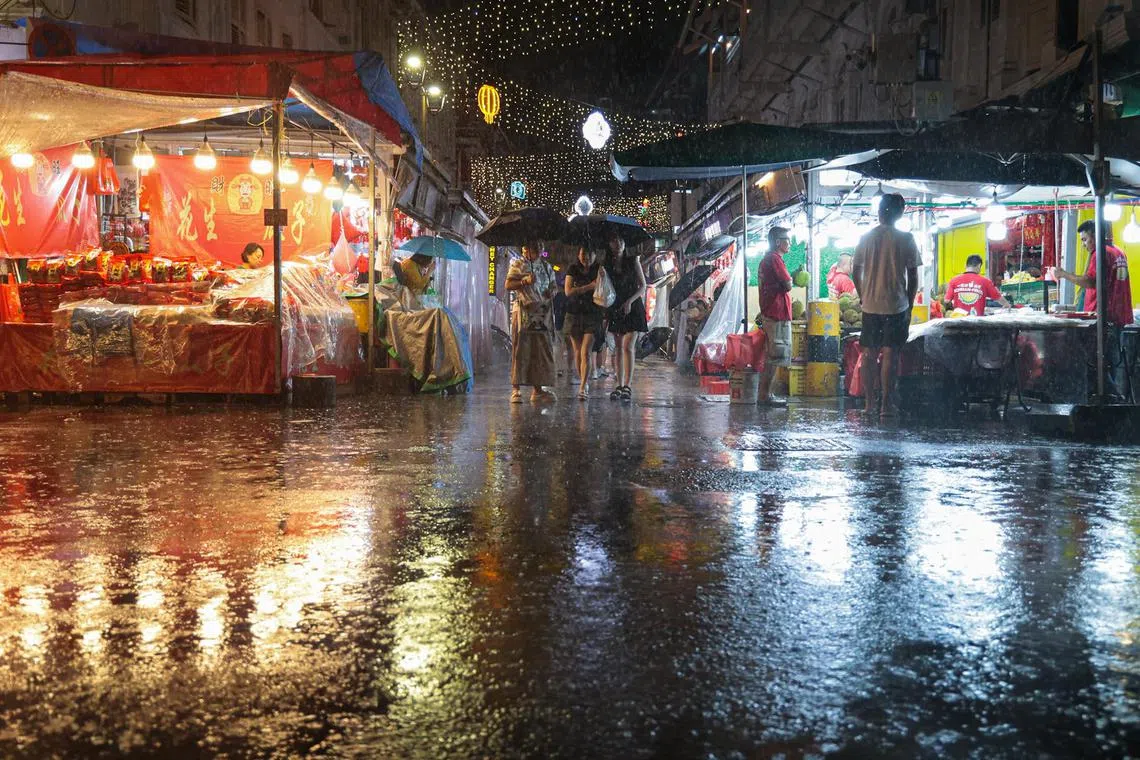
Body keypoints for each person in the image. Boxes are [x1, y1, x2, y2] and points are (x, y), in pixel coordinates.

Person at [852, 193, 921, 420]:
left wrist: (863, 295)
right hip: (896, 305)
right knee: (891, 355)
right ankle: (886, 406)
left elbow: (855, 271)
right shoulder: (906, 239)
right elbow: (913, 277)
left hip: (870, 305)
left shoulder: (865, 238)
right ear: (900, 213)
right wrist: (909, 304)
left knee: (869, 354)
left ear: (879, 211)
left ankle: (869, 404)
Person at [1053, 220, 1134, 397]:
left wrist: (1063, 274)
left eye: (1085, 239)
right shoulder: (1118, 251)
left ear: (1095, 235)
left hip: (1105, 317)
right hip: (1117, 316)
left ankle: (1114, 399)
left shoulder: (1100, 254)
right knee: (1109, 363)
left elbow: (1090, 281)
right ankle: (1112, 402)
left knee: (1097, 363)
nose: (1083, 245)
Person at [506, 243, 558, 403]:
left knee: (540, 350)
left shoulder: (547, 267)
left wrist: (552, 291)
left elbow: (553, 286)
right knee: (521, 349)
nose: (540, 249)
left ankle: (538, 389)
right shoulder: (518, 264)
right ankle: (516, 389)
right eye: (536, 246)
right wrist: (524, 281)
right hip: (523, 311)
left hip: (542, 313)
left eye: (541, 246)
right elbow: (508, 284)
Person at [603, 231, 647, 402]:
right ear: (610, 244)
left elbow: (643, 286)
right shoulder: (607, 265)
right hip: (616, 308)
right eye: (614, 240)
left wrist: (630, 301)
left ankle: (627, 385)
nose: (618, 243)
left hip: (633, 307)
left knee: (628, 346)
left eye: (621, 240)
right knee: (618, 348)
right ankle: (619, 385)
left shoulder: (633, 261)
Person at [757, 226, 794, 406]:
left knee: (773, 355)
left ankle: (765, 394)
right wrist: (791, 279)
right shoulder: (774, 259)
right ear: (778, 242)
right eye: (787, 240)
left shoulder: (768, 259)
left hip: (772, 312)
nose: (790, 243)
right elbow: (787, 284)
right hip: (776, 312)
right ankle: (765, 395)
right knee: (775, 356)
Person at [564, 247, 605, 400]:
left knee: (586, 351)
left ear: (594, 255)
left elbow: (604, 289)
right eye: (582, 254)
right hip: (574, 313)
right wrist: (588, 287)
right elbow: (568, 291)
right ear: (578, 254)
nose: (585, 257)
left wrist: (580, 289)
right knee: (577, 352)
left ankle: (583, 386)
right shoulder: (573, 269)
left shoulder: (599, 269)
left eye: (588, 254)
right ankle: (583, 379)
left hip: (592, 314)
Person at [945, 254, 1009, 316]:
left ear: (965, 265)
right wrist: (1006, 304)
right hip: (976, 321)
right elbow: (998, 297)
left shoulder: (954, 280)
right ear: (979, 266)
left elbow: (947, 300)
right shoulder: (985, 281)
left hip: (958, 319)